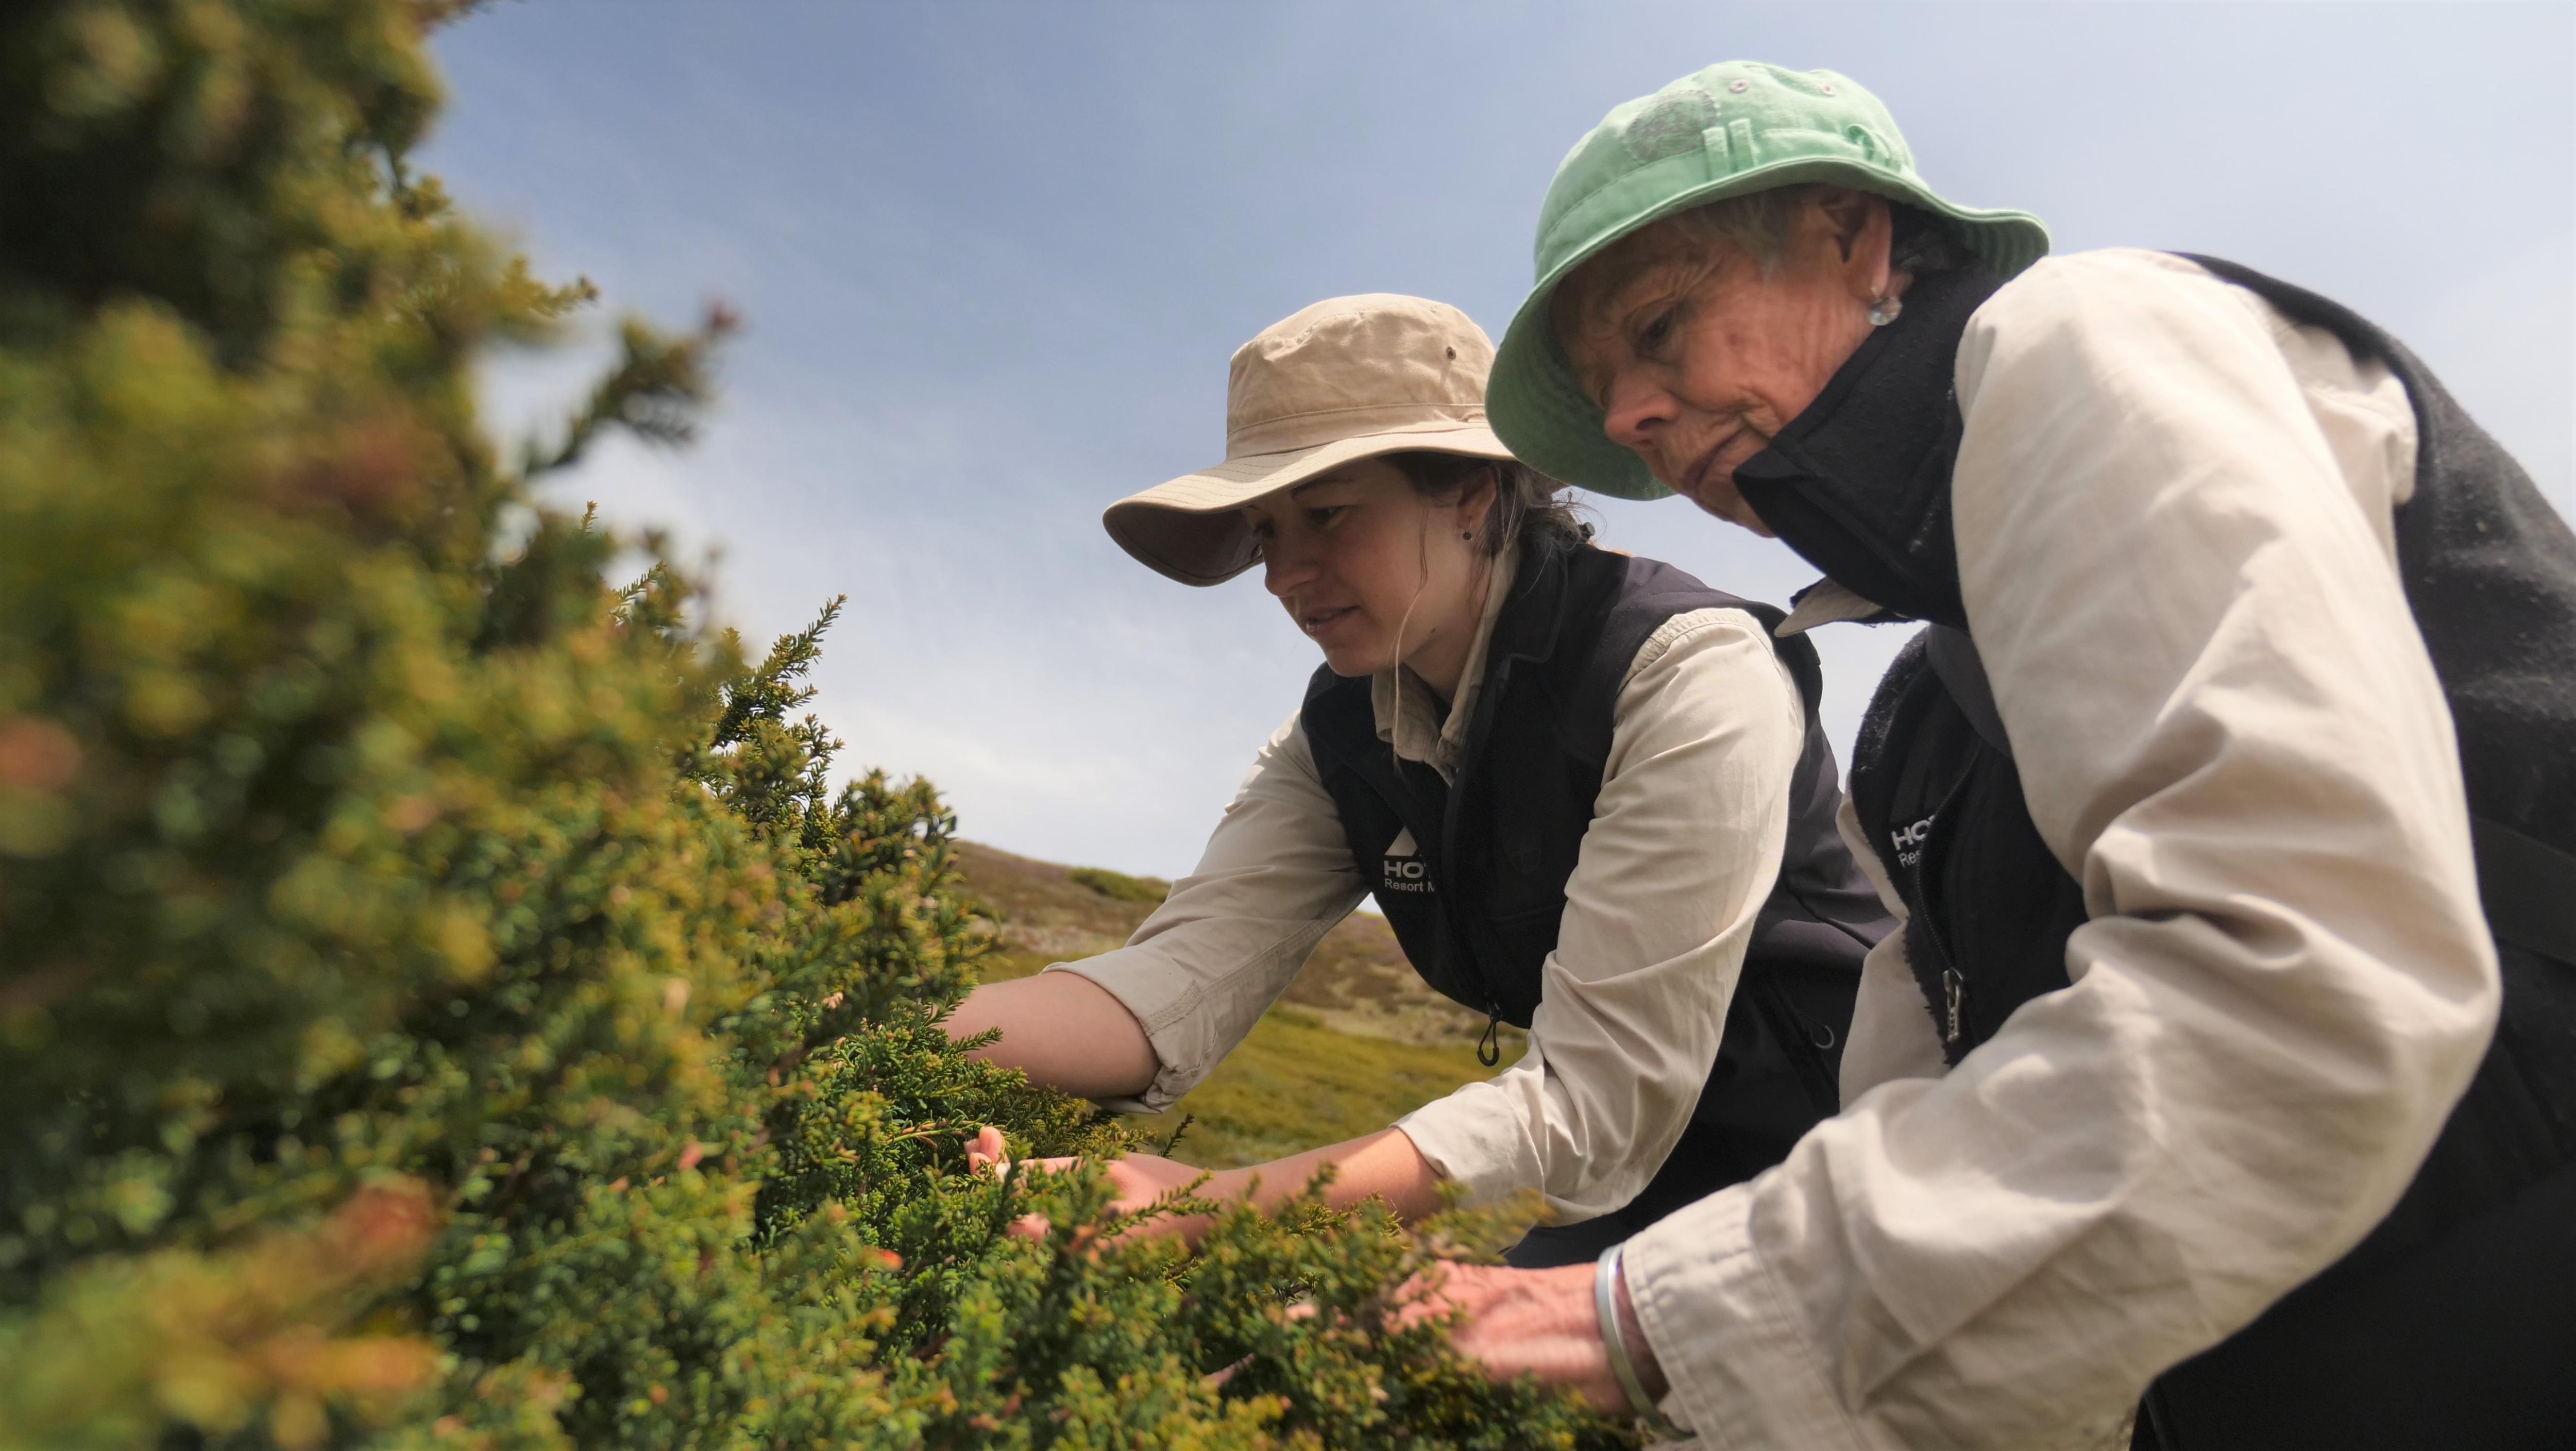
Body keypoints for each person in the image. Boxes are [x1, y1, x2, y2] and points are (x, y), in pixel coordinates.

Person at [1417, 61, 2576, 1448]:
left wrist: (1628, 1322)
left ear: (1855, 239)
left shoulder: (2083, 338)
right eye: (1605, 392)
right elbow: (1925, 1115)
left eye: (1660, 327)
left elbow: (2306, 986)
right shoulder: (1914, 726)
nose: (1625, 422)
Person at [947, 293, 1888, 1264]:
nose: (1282, 575)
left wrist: (1200, 1207)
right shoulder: (1338, 736)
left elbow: (1597, 1101)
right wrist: (880, 1031)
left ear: (1474, 493)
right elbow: (1174, 987)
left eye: (1327, 514)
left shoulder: (1686, 669)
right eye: (1266, 532)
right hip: (1645, 1193)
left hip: (1863, 1174)